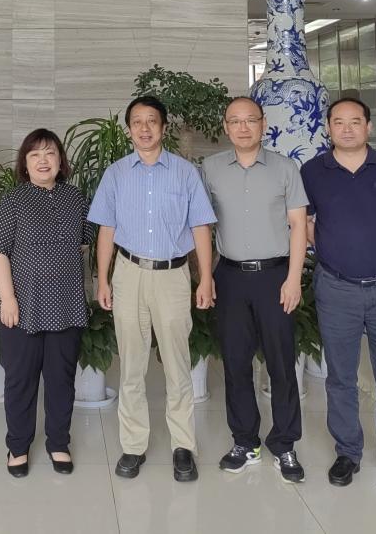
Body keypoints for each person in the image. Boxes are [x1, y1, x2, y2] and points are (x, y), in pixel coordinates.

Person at [300, 97, 376, 497]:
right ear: (328, 128)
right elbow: (303, 222)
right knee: (340, 377)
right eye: (339, 122)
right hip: (336, 289)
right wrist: (327, 247)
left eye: (355, 121)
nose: (347, 128)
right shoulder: (313, 171)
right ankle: (348, 452)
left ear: (368, 126)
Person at [92, 96, 216, 482]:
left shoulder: (185, 173)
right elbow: (106, 229)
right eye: (137, 122)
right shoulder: (115, 174)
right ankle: (133, 446)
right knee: (131, 364)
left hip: (172, 276)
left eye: (151, 121)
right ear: (129, 129)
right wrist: (102, 277)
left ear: (163, 127)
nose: (144, 128)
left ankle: (183, 446)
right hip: (128, 273)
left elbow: (200, 227)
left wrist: (206, 278)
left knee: (178, 364)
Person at [200, 96, 309, 483]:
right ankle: (244, 441)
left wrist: (293, 279)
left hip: (275, 276)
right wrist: (206, 276)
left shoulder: (285, 168)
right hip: (229, 276)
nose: (243, 127)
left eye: (250, 120)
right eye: (235, 121)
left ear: (263, 124)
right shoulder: (210, 169)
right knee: (235, 363)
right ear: (225, 127)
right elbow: (201, 226)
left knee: (281, 363)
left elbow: (299, 225)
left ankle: (285, 443)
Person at [0, 128, 92, 478]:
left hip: (67, 306)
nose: (43, 160)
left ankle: (58, 442)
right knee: (20, 381)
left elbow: (84, 243)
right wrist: (8, 298)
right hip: (22, 307)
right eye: (35, 154)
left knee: (62, 379)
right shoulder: (13, 200)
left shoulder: (75, 198)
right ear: (25, 163)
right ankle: (18, 446)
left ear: (60, 160)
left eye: (50, 153)